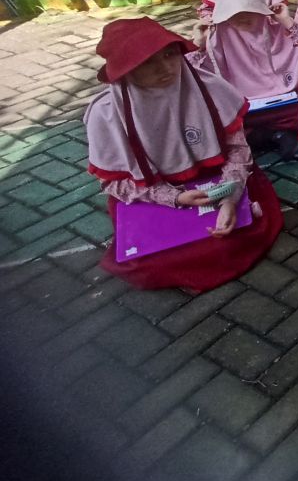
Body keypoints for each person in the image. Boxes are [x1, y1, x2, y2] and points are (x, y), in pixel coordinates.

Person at [84, 18, 282, 293]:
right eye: (148, 62)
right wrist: (173, 197)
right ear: (125, 70)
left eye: (170, 54)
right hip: (152, 190)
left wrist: (230, 195)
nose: (165, 68)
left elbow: (237, 150)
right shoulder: (106, 115)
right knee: (155, 258)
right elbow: (114, 183)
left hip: (215, 178)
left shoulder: (209, 88)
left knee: (239, 229)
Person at [191, 0, 298, 146]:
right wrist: (200, 45)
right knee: (217, 117)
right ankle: (273, 135)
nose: (242, 18)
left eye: (249, 10)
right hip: (242, 107)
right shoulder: (218, 36)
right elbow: (194, 78)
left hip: (286, 103)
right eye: (234, 13)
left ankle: (268, 135)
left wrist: (287, 21)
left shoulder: (277, 29)